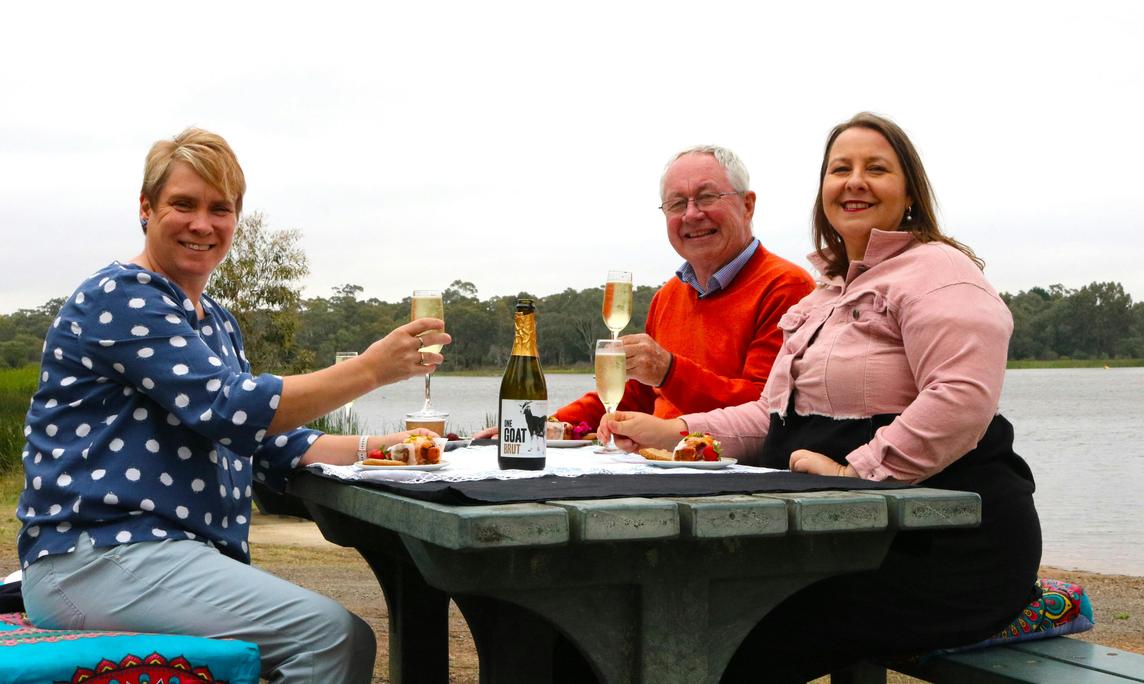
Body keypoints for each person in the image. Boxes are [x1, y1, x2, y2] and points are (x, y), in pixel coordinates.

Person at [602, 113, 1042, 679]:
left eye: (875, 169)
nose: (854, 181)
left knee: (713, 637)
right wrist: (680, 431)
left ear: (908, 190)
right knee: (658, 618)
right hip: (846, 536)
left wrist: (855, 474)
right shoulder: (828, 292)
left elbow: (961, 399)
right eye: (841, 169)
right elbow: (773, 414)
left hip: (942, 545)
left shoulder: (940, 272)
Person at [16, 128, 452, 684]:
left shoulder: (214, 320)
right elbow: (230, 408)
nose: (203, 224)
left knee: (330, 637)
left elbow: (272, 441)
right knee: (330, 638)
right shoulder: (120, 296)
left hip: (155, 560)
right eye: (183, 204)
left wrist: (395, 447)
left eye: (220, 209)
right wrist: (369, 369)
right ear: (146, 209)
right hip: (96, 557)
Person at [477, 145, 815, 438]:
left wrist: (670, 371)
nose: (692, 214)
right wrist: (542, 425)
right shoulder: (668, 295)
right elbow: (634, 393)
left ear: (747, 205)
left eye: (707, 197)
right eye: (677, 203)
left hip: (727, 478)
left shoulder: (786, 286)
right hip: (657, 466)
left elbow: (764, 411)